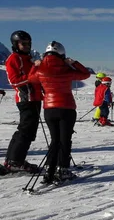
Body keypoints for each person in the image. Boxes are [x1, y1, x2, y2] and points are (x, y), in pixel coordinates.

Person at [28, 41, 90, 182]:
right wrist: (73, 62)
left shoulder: (40, 69)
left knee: (55, 140)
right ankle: (63, 169)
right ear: (62, 54)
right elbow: (85, 74)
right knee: (65, 140)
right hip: (67, 108)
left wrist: (34, 65)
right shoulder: (66, 68)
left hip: (49, 109)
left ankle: (49, 170)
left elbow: (31, 79)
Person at [3, 30, 43, 174]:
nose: (26, 46)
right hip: (26, 99)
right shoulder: (14, 58)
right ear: (15, 44)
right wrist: (35, 74)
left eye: (28, 43)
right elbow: (14, 80)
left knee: (25, 130)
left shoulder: (27, 58)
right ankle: (15, 161)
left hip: (35, 98)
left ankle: (12, 160)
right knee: (26, 131)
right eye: (23, 43)